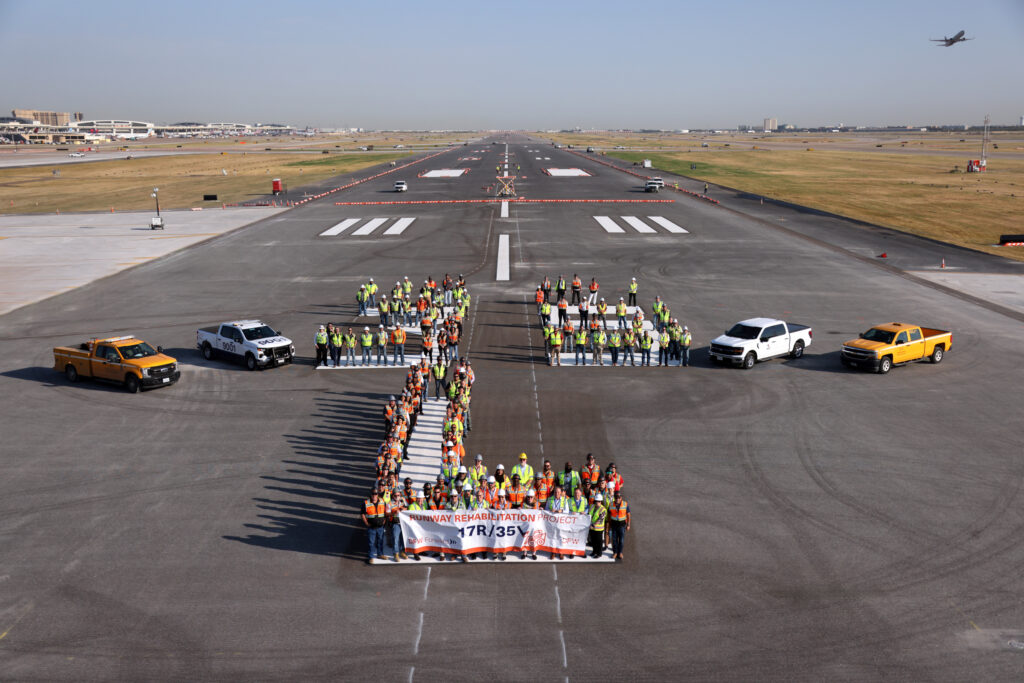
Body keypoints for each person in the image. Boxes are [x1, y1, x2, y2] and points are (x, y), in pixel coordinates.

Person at [362, 488, 389, 564]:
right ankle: (371, 557)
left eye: (376, 494)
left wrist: (384, 520)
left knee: (380, 541)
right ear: (371, 494)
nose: (374, 495)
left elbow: (385, 512)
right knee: (371, 542)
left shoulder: (382, 501)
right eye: (373, 494)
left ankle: (380, 554)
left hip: (380, 526)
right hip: (371, 527)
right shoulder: (366, 503)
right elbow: (363, 514)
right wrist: (366, 523)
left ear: (378, 495)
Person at [609, 489, 631, 560]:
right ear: (614, 498)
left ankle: (620, 552)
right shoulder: (611, 504)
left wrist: (628, 525)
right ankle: (615, 552)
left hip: (622, 526)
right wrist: (609, 525)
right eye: (616, 497)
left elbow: (628, 515)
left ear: (621, 498)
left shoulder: (625, 504)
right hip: (614, 525)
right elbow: (609, 516)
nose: (617, 499)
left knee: (621, 540)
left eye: (619, 497)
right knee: (614, 540)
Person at [589, 493, 608, 557]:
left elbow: (600, 519)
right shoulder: (592, 506)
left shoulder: (603, 509)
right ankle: (594, 551)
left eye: (599, 501)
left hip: (598, 529)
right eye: (596, 501)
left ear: (601, 501)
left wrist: (593, 525)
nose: (597, 502)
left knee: (599, 542)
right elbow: (589, 515)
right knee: (593, 541)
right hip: (591, 528)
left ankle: (599, 553)